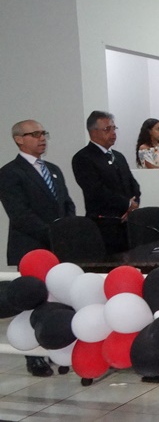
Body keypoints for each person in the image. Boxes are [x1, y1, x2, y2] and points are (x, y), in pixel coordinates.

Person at [0, 119, 76, 378]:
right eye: (34, 134)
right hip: (31, 248)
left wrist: (67, 231)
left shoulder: (52, 169)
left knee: (58, 300)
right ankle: (34, 357)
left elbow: (66, 203)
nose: (41, 138)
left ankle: (58, 346)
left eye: (43, 133)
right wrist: (52, 233)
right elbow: (20, 214)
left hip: (58, 248)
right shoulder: (10, 172)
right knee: (32, 302)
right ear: (19, 139)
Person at [72, 111, 141, 254]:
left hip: (127, 224)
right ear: (93, 132)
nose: (113, 133)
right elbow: (96, 191)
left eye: (114, 128)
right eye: (107, 129)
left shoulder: (119, 156)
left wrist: (132, 206)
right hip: (104, 225)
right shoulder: (83, 158)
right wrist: (126, 204)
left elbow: (133, 184)